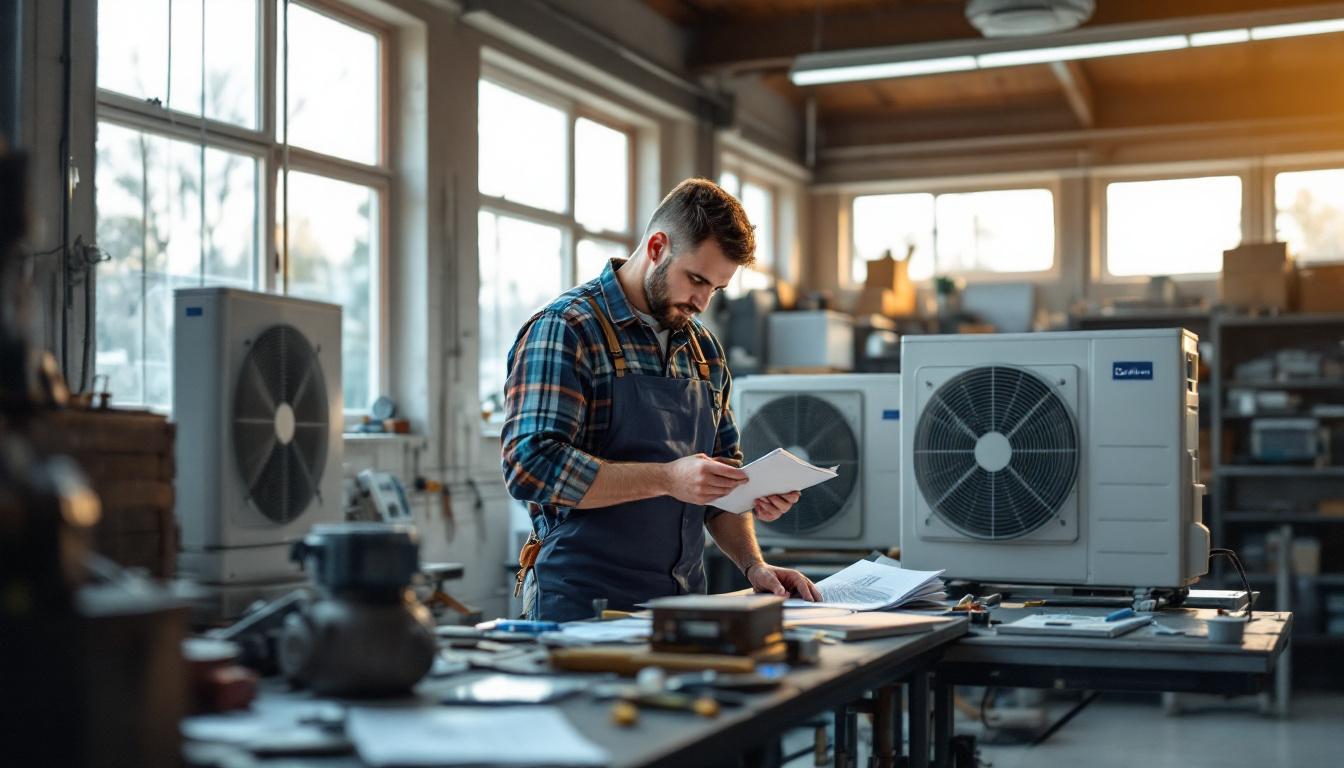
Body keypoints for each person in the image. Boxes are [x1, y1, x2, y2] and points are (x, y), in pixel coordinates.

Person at [502, 178, 822, 622]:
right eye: (695, 279)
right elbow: (529, 468)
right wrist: (669, 479)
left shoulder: (704, 351)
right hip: (580, 605)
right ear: (656, 247)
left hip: (681, 606)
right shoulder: (568, 330)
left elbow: (718, 486)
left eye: (716, 288)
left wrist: (753, 558)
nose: (702, 301)